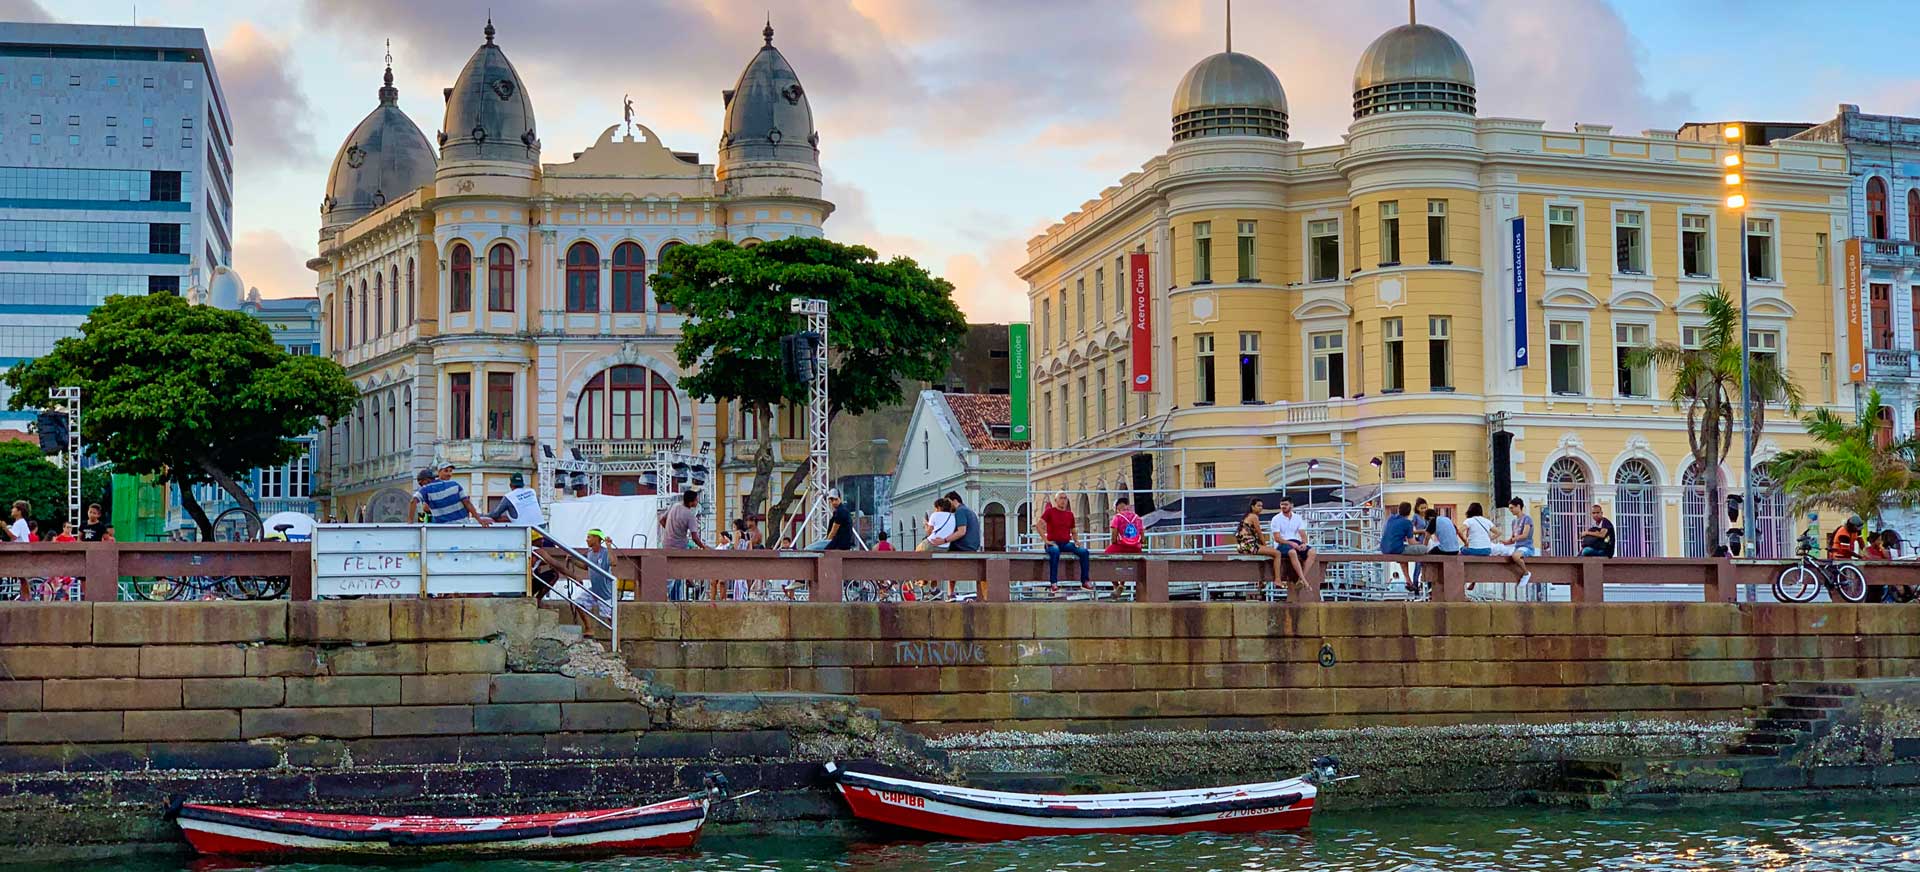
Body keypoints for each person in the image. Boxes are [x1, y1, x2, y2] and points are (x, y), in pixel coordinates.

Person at [1038, 492, 1091, 594]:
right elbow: (1039, 525)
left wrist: (1076, 541)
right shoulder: (1050, 512)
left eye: (1065, 498)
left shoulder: (1069, 514)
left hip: (1065, 543)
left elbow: (1073, 530)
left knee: (1084, 552)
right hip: (1053, 543)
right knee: (1055, 551)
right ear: (1056, 500)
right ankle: (1053, 583)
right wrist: (1045, 540)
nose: (1063, 501)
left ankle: (1085, 581)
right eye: (1061, 498)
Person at [661, 489, 706, 601]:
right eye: (696, 500)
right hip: (680, 546)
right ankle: (689, 578)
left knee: (669, 573)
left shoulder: (674, 506)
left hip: (666, 543)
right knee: (685, 563)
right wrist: (704, 547)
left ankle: (679, 587)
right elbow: (695, 538)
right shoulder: (690, 515)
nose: (697, 502)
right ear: (691, 502)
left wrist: (670, 531)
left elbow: (662, 520)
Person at [1236, 498, 1291, 585]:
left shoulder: (1247, 516)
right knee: (1277, 553)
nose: (1261, 508)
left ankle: (1261, 581)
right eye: (1258, 506)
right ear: (1252, 507)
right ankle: (1277, 580)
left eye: (1261, 506)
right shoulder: (1254, 516)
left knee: (1265, 554)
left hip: (1242, 546)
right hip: (1249, 546)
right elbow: (1260, 534)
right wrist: (1265, 546)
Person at [418, 464, 491, 526]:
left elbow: (467, 503)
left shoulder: (453, 486)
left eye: (450, 471)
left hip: (455, 523)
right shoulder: (435, 488)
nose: (449, 474)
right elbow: (425, 508)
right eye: (446, 471)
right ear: (439, 472)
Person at [1268, 497, 1314, 580]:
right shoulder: (1276, 519)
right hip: (1282, 543)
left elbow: (1303, 534)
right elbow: (1277, 538)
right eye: (1282, 504)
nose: (1283, 506)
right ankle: (1303, 579)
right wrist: (1291, 544)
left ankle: (1302, 578)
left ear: (1291, 505)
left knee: (1312, 552)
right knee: (1292, 552)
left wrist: (1304, 543)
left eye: (1286, 504)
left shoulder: (1297, 517)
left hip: (1296, 542)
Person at [1498, 497, 1537, 595]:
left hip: (1526, 546)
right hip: (1517, 547)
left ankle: (1526, 573)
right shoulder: (1514, 522)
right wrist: (1505, 542)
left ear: (1518, 506)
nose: (1510, 510)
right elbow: (1512, 538)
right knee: (1501, 552)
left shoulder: (1527, 519)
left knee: (1515, 556)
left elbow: (1525, 535)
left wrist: (1515, 539)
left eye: (1512, 508)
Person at [582, 528, 615, 611]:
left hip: (606, 592)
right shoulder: (589, 552)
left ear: (596, 538)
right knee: (580, 603)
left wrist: (609, 546)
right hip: (594, 590)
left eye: (589, 537)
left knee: (609, 618)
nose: (586, 540)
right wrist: (573, 560)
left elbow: (614, 563)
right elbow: (586, 567)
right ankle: (588, 625)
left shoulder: (605, 552)